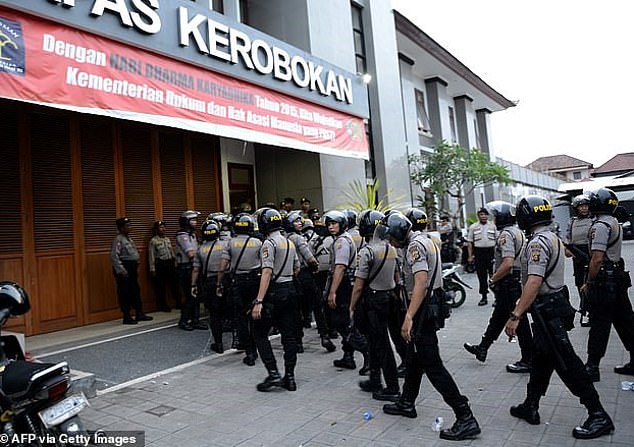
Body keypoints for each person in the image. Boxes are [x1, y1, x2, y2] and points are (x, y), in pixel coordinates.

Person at [505, 195, 614, 440]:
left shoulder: (536, 243)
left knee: (568, 364)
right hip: (550, 306)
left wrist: (515, 315)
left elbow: (534, 281)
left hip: (547, 311)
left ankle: (597, 413)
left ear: (526, 215)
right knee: (542, 360)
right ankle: (530, 405)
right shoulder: (552, 236)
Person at [381, 211, 481, 441]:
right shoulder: (423, 239)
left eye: (391, 237)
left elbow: (421, 282)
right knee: (414, 359)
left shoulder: (415, 246)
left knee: (432, 365)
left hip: (422, 310)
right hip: (428, 306)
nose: (390, 242)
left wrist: (408, 317)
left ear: (397, 232)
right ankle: (407, 402)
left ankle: (465, 416)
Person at [464, 201, 534, 373]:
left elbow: (508, 262)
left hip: (509, 282)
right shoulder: (518, 232)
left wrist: (493, 279)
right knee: (498, 317)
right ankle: (483, 347)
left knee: (520, 321)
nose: (493, 219)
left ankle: (529, 359)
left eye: (495, 216)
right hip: (513, 282)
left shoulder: (505, 235)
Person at [581, 187, 634, 381]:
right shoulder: (614, 222)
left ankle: (592, 367)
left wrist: (588, 282)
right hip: (617, 277)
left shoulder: (600, 226)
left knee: (600, 323)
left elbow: (596, 259)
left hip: (605, 280)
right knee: (625, 321)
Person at [349, 209, 401, 402]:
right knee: (375, 343)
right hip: (389, 299)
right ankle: (374, 379)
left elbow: (359, 284)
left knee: (381, 345)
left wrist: (352, 307)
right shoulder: (391, 249)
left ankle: (392, 387)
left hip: (373, 301)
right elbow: (397, 279)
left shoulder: (367, 251)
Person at [251, 208, 301, 392]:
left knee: (259, 333)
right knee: (288, 336)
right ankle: (290, 377)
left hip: (274, 294)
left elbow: (267, 271)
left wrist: (259, 301)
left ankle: (273, 373)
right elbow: (297, 267)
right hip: (290, 292)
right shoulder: (289, 242)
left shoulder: (268, 243)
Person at [284, 211, 335, 352]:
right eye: (296, 221)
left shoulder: (284, 238)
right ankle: (325, 336)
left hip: (291, 277)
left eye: (300, 220)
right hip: (305, 275)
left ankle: (298, 341)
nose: (300, 222)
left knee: (297, 310)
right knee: (317, 306)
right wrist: (315, 268)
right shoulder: (298, 239)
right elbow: (310, 259)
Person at [325, 210, 368, 371]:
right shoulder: (343, 239)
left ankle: (366, 352)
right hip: (345, 283)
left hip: (342, 285)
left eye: (334, 223)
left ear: (342, 224)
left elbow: (340, 267)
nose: (331, 227)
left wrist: (332, 292)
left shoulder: (341, 242)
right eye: (329, 224)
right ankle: (348, 356)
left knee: (341, 322)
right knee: (345, 321)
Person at [218, 213, 262, 365]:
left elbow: (222, 267)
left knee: (241, 317)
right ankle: (260, 347)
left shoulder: (229, 243)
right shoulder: (258, 242)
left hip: (238, 282)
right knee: (256, 315)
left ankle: (250, 352)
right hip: (255, 281)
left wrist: (219, 283)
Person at [191, 220, 227, 353]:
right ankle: (239, 340)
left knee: (215, 315)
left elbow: (196, 269)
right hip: (225, 281)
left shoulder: (200, 250)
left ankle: (219, 344)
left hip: (210, 283)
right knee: (233, 312)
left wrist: (193, 285)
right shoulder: (225, 245)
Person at [111, 217, 153, 325]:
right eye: (127, 226)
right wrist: (121, 270)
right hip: (124, 268)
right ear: (121, 228)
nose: (130, 227)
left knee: (135, 290)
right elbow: (114, 256)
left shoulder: (128, 238)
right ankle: (127, 316)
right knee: (124, 293)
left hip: (132, 268)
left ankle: (139, 313)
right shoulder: (118, 239)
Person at [564, 194, 593, 327]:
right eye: (581, 206)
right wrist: (568, 250)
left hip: (591, 254)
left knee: (591, 282)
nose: (584, 208)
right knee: (579, 283)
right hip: (577, 257)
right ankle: (584, 308)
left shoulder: (594, 220)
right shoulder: (572, 221)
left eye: (586, 206)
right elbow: (568, 239)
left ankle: (591, 309)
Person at [176, 210, 206, 331]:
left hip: (194, 267)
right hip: (186, 268)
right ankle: (183, 321)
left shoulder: (192, 235)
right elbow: (191, 253)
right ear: (186, 222)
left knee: (197, 295)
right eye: (192, 220)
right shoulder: (182, 235)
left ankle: (195, 320)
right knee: (190, 296)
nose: (195, 222)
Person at [467, 207, 497, 306]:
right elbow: (470, 243)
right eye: (481, 214)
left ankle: (497, 297)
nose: (483, 216)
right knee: (481, 276)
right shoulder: (473, 227)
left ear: (488, 216)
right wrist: (470, 256)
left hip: (491, 252)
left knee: (494, 275)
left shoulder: (493, 226)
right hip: (479, 253)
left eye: (485, 214)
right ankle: (484, 297)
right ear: (478, 216)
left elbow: (498, 242)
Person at [148, 220, 177, 312]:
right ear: (156, 229)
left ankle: (178, 302)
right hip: (161, 264)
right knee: (161, 287)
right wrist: (152, 269)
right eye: (161, 227)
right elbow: (151, 255)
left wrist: (175, 262)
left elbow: (171, 251)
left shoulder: (167, 239)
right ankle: (164, 305)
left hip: (170, 263)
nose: (163, 229)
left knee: (174, 284)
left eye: (164, 227)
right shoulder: (153, 241)